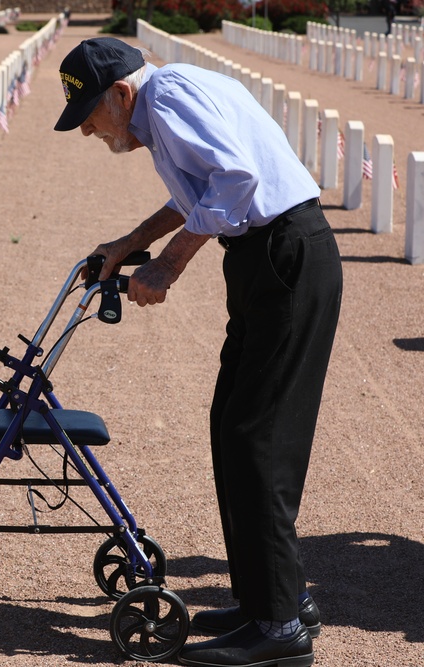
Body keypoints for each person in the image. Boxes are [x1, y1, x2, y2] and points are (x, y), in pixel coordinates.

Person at [54, 38, 342, 667]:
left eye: (90, 116)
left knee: (256, 437)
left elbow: (238, 178)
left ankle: (280, 628)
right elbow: (200, 193)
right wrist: (129, 242)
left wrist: (166, 266)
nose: (88, 133)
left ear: (121, 94)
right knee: (232, 428)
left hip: (285, 256)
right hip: (268, 260)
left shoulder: (171, 96)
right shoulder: (164, 106)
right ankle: (271, 598)